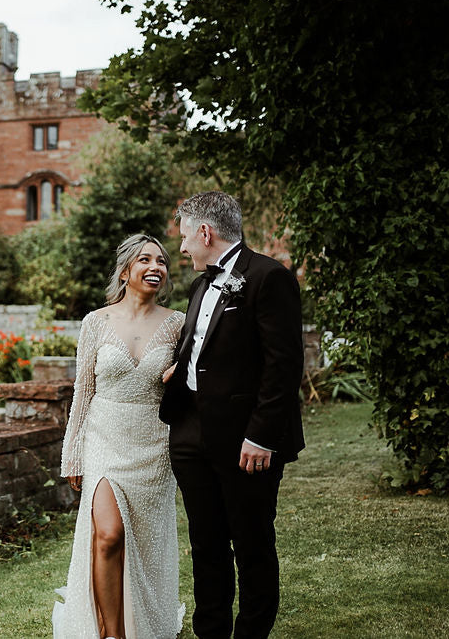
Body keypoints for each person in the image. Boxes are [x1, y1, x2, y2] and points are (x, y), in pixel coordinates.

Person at [159, 191, 304, 639]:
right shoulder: (200, 284)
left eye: (185, 237)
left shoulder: (269, 277)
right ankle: (212, 632)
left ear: (206, 232)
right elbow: (204, 347)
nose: (182, 248)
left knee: (252, 543)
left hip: (247, 439)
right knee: (206, 545)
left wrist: (261, 436)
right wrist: (177, 369)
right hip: (191, 433)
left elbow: (283, 367)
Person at [54, 234, 185, 639]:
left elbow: (195, 381)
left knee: (143, 543)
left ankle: (146, 620)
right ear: (125, 270)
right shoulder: (96, 322)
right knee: (108, 536)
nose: (156, 267)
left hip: (154, 444)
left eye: (162, 261)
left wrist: (180, 376)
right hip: (103, 439)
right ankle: (112, 634)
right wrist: (72, 454)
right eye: (145, 259)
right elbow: (83, 393)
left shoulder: (178, 323)